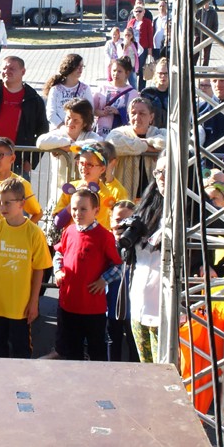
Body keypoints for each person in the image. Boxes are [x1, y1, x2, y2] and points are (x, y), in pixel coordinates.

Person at [0, 178, 52, 359]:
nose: (2, 207)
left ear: (22, 203)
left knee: (21, 349)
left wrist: (34, 301)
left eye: (7, 203)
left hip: (21, 305)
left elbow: (39, 270)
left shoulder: (34, 233)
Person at [52, 188, 123, 361]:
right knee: (70, 351)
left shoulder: (105, 236)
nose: (78, 213)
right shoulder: (69, 231)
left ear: (96, 211)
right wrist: (58, 270)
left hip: (93, 307)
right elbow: (59, 253)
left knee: (96, 351)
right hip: (68, 303)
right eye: (74, 209)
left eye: (83, 209)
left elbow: (118, 266)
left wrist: (103, 280)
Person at [127, 155, 167, 363]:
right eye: (158, 172)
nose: (161, 177)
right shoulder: (147, 208)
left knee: (166, 370)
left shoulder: (193, 212)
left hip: (168, 311)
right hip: (139, 305)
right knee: (147, 368)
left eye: (167, 172)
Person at [36, 98, 101, 207]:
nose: (70, 123)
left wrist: (72, 147)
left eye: (76, 120)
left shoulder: (90, 136)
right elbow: (40, 142)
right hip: (59, 191)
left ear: (84, 123)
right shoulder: (58, 134)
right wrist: (67, 142)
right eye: (68, 118)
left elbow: (99, 143)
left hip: (84, 193)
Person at [52, 143, 128, 232]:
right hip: (70, 238)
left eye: (89, 165)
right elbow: (58, 223)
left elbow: (97, 228)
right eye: (81, 163)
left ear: (102, 169)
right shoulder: (71, 188)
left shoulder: (105, 195)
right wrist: (73, 202)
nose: (84, 168)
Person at [106, 97, 167, 200]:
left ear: (151, 117)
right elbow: (113, 144)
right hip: (126, 195)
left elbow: (168, 143)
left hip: (153, 195)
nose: (137, 117)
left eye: (142, 113)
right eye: (133, 113)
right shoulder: (119, 132)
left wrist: (139, 145)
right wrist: (148, 147)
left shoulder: (160, 132)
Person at [107, 200, 140, 362]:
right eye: (118, 220)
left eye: (127, 221)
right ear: (110, 220)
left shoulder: (139, 245)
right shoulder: (105, 241)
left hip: (134, 307)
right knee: (112, 343)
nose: (121, 225)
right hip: (111, 305)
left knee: (134, 345)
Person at [43, 54, 93, 129]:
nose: (81, 69)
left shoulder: (85, 89)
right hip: (58, 130)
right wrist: (64, 128)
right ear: (69, 66)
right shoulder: (55, 89)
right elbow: (50, 113)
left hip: (78, 130)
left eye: (82, 66)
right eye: (78, 66)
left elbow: (90, 112)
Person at [93, 57, 138, 138]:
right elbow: (93, 109)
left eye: (119, 71)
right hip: (101, 133)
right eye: (114, 70)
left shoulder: (133, 93)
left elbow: (135, 114)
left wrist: (118, 111)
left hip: (122, 134)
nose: (116, 74)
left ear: (127, 73)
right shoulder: (102, 87)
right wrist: (103, 113)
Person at [199, 77, 224, 156]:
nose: (218, 84)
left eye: (222, 80)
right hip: (204, 161)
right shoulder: (200, 109)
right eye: (214, 81)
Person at [126, 4, 153, 88]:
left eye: (140, 11)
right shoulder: (131, 22)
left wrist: (150, 50)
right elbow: (127, 34)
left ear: (143, 12)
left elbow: (150, 36)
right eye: (136, 11)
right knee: (132, 68)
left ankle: (141, 89)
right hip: (132, 48)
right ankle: (133, 88)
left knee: (141, 69)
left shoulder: (147, 22)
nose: (138, 13)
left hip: (143, 49)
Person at [140, 58, 170, 128]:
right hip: (151, 130)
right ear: (156, 74)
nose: (163, 76)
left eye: (166, 73)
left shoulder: (175, 94)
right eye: (160, 73)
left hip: (171, 130)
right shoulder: (147, 93)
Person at [195, 1, 219, 66]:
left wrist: (212, 35)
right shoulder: (199, 11)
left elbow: (215, 25)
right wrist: (196, 33)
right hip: (199, 35)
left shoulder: (213, 12)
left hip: (208, 36)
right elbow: (194, 23)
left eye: (206, 2)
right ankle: (193, 66)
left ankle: (204, 68)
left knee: (206, 54)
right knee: (195, 52)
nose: (205, 4)